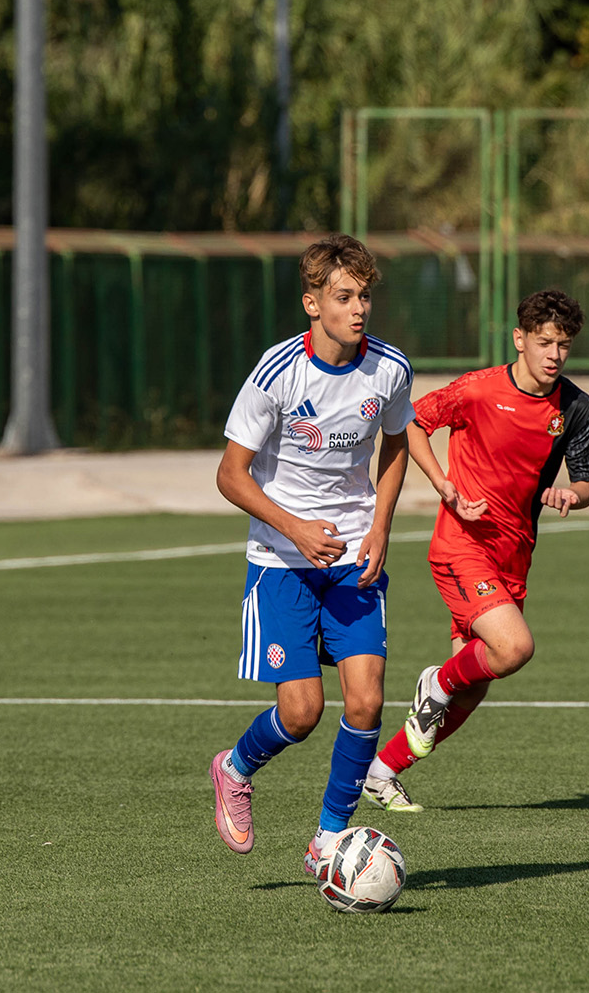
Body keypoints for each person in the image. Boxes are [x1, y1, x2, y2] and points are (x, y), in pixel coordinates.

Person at [207, 233, 414, 876]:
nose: (359, 309)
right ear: (312, 303)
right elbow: (230, 475)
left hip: (355, 556)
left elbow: (397, 444)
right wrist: (295, 528)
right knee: (302, 711)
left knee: (367, 702)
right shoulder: (275, 375)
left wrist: (379, 526)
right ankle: (235, 768)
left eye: (365, 296)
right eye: (344, 296)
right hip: (281, 560)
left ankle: (329, 836)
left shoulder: (390, 370)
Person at [358, 289, 589, 813]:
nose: (554, 354)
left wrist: (569, 495)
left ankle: (382, 772)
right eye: (544, 342)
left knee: (473, 686)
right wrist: (443, 484)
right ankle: (434, 683)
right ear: (520, 340)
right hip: (460, 546)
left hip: (514, 556)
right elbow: (410, 422)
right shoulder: (478, 390)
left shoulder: (576, 407)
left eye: (564, 344)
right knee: (513, 648)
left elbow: (586, 483)